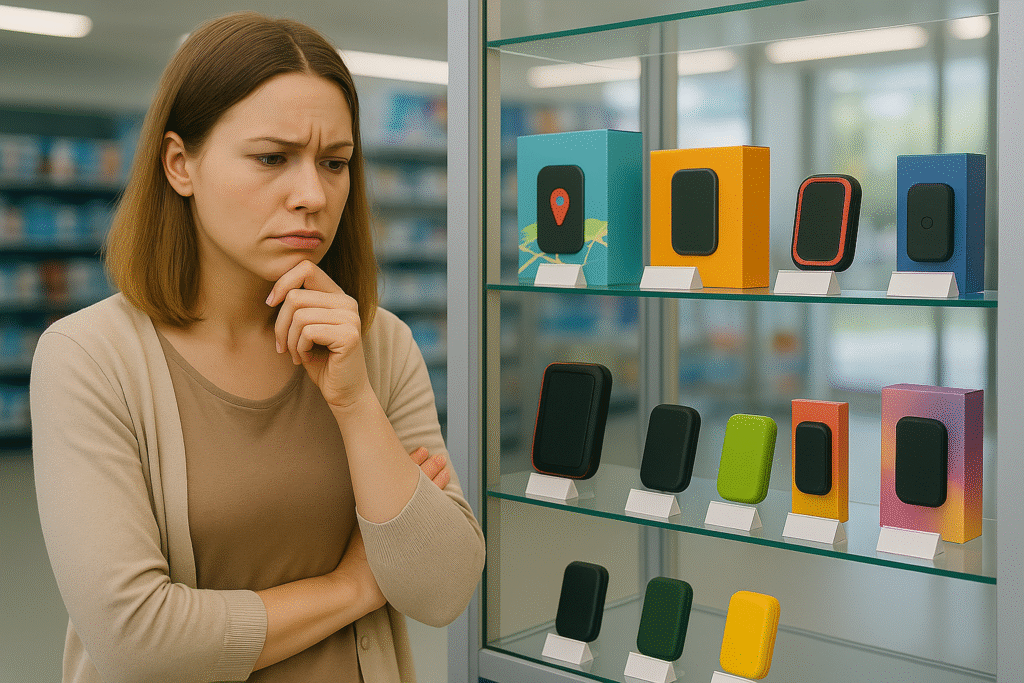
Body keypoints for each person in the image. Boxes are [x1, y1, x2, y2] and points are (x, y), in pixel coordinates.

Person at [29, 12, 484, 683]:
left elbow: (443, 588)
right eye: (273, 158)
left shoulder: (379, 344)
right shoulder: (89, 358)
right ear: (181, 164)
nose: (312, 195)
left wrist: (356, 402)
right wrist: (355, 586)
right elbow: (135, 641)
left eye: (335, 163)